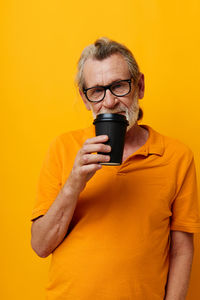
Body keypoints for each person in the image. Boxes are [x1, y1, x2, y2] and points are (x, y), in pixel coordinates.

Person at [31, 37, 200, 300]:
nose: (109, 102)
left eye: (119, 86)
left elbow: (181, 250)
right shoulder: (63, 148)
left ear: (139, 86)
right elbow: (41, 246)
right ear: (85, 99)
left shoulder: (177, 157)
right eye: (96, 91)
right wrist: (75, 181)